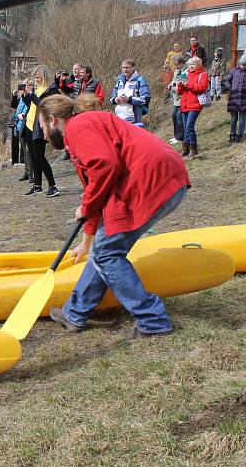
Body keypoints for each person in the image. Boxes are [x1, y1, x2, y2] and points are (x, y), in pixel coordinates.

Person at [37, 95, 191, 339]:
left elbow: (106, 165)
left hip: (152, 180)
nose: (44, 136)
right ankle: (74, 313)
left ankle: (153, 321)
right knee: (104, 250)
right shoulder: (84, 126)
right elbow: (96, 188)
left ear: (53, 120)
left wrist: (85, 207)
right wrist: (88, 240)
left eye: (43, 127)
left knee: (108, 253)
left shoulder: (77, 127)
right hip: (159, 178)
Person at [22, 65, 60, 197]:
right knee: (33, 157)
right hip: (30, 124)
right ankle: (37, 185)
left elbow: (45, 106)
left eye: (38, 78)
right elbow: (31, 104)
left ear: (44, 76)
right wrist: (25, 96)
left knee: (40, 157)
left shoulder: (52, 89)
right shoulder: (38, 89)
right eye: (35, 78)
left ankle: (53, 186)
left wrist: (32, 96)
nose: (36, 80)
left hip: (40, 127)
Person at [177, 56, 209, 158]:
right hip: (185, 103)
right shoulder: (186, 74)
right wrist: (180, 85)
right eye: (190, 64)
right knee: (186, 127)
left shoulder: (203, 74)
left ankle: (193, 149)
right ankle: (185, 149)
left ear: (198, 65)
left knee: (189, 127)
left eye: (193, 64)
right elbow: (181, 92)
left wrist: (188, 84)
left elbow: (201, 88)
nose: (191, 66)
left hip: (195, 104)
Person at [110, 58, 151, 124]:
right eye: (123, 68)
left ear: (133, 68)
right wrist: (115, 99)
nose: (125, 70)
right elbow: (111, 98)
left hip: (133, 118)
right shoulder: (119, 81)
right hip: (118, 117)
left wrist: (129, 99)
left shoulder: (140, 80)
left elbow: (146, 99)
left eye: (127, 68)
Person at [223, 54, 246, 143]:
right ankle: (232, 134)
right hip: (233, 99)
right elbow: (226, 81)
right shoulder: (233, 71)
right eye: (243, 65)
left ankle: (240, 135)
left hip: (244, 100)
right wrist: (230, 87)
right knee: (233, 119)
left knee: (242, 120)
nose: (244, 66)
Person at [15, 80, 33, 181]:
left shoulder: (32, 96)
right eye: (24, 86)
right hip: (20, 126)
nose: (25, 88)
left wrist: (24, 116)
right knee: (25, 151)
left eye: (28, 85)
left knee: (28, 151)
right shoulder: (21, 98)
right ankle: (26, 172)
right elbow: (15, 108)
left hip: (28, 126)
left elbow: (31, 109)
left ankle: (30, 174)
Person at [168, 54, 187, 145]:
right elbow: (174, 80)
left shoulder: (186, 71)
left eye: (177, 64)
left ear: (182, 63)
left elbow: (183, 83)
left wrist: (176, 88)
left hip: (182, 98)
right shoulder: (177, 70)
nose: (175, 66)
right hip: (176, 98)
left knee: (179, 118)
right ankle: (176, 135)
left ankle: (179, 137)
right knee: (174, 115)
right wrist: (170, 84)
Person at [9, 84, 27, 165]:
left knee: (23, 144)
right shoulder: (20, 98)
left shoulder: (28, 98)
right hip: (16, 124)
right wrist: (14, 96)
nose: (21, 90)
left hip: (23, 124)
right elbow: (13, 105)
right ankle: (15, 162)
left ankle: (22, 161)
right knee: (15, 144)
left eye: (23, 88)